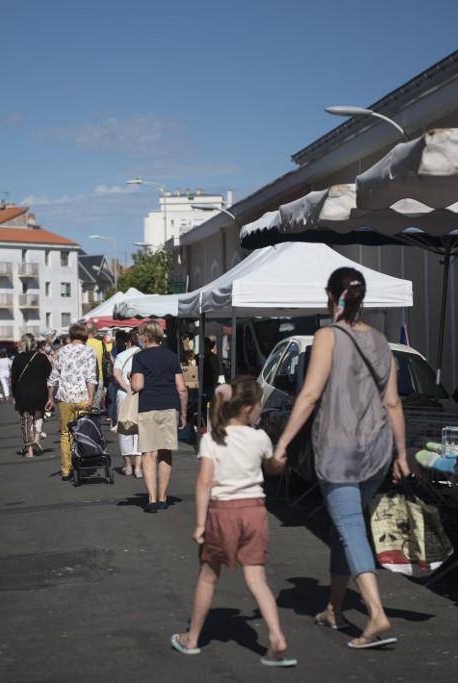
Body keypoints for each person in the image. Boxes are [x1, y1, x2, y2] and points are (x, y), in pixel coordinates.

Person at [272, 266, 410, 650]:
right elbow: (394, 402)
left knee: (349, 527)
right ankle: (334, 608)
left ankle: (376, 613)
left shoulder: (328, 336)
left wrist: (282, 444)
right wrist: (401, 454)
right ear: (361, 300)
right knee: (342, 528)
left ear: (330, 297)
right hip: (377, 451)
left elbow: (310, 395)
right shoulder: (381, 341)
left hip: (339, 451)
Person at [171, 376, 295, 667]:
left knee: (208, 577)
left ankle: (192, 638)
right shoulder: (260, 437)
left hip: (223, 512)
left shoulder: (213, 437)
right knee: (257, 578)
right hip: (255, 510)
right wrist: (280, 459)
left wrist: (200, 523)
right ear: (250, 407)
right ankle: (276, 636)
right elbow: (273, 467)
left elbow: (204, 482)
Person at [131, 321, 188, 513]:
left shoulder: (139, 357)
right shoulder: (172, 356)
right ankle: (163, 497)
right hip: (169, 406)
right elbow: (182, 388)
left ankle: (152, 499)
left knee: (149, 452)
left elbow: (137, 385)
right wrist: (184, 413)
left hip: (147, 406)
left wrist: (132, 380)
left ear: (144, 336)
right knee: (165, 451)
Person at [45, 323, 97, 481]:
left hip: (65, 398)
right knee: (83, 432)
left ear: (71, 335)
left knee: (66, 433)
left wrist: (49, 397)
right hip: (82, 397)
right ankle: (85, 464)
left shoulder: (61, 351)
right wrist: (91, 398)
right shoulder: (89, 351)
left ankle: (66, 469)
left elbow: (53, 377)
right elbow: (91, 378)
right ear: (85, 336)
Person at [12, 334, 51, 458]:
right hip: (40, 391)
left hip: (23, 393)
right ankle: (37, 438)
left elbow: (14, 379)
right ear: (34, 343)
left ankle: (29, 450)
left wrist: (14, 395)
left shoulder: (17, 359)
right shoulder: (42, 357)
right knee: (39, 415)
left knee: (26, 420)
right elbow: (50, 374)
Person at [113, 329, 142, 477]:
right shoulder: (144, 355)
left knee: (124, 428)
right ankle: (138, 467)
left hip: (124, 394)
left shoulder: (121, 355)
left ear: (128, 342)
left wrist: (127, 388)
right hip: (142, 395)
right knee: (139, 430)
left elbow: (116, 374)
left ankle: (128, 466)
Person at [85, 323, 106, 411]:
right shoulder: (100, 343)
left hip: (85, 379)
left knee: (84, 408)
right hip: (99, 377)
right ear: (94, 332)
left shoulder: (83, 344)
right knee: (95, 408)